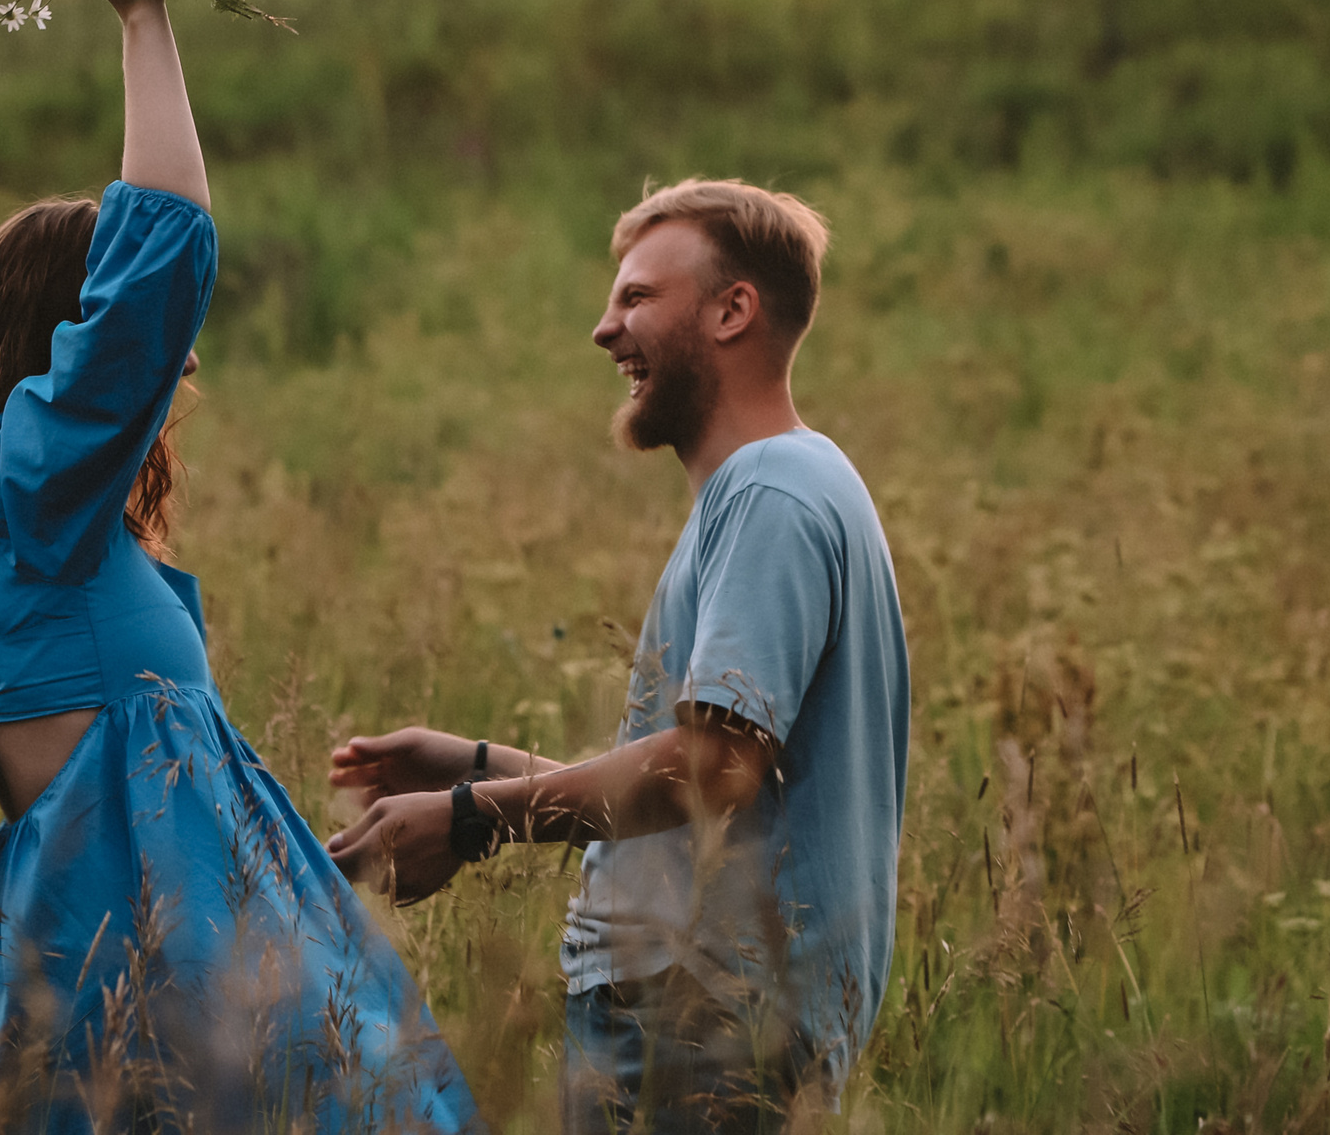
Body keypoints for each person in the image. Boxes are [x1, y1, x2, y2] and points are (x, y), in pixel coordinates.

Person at [0, 0, 482, 1135]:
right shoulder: (27, 488)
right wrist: (141, 13)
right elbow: (163, 261)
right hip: (139, 980)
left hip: (143, 955)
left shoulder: (34, 520)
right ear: (67, 343)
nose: (182, 367)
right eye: (153, 354)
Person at [326, 181, 909, 1134]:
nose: (605, 330)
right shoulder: (794, 484)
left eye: (637, 297)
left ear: (732, 310)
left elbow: (712, 768)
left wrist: (470, 819)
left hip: (699, 1024)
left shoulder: (771, 493)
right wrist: (479, 767)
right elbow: (712, 809)